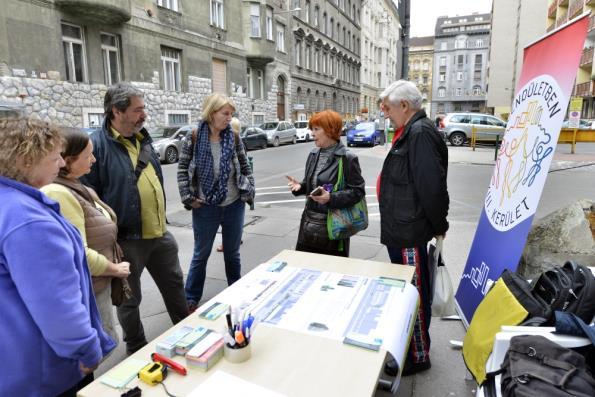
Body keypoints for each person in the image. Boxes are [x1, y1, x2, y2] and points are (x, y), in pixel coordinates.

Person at [0, 117, 115, 396]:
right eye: (54, 159)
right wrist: (87, 349)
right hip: (41, 372)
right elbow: (55, 302)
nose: (62, 164)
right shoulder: (28, 220)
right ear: (26, 161)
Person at [82, 82, 187, 355]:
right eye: (138, 110)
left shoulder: (144, 138)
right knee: (129, 300)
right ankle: (137, 348)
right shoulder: (96, 145)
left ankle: (187, 331)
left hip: (159, 232)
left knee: (175, 285)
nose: (144, 115)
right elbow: (87, 198)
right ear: (117, 111)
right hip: (127, 239)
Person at [378, 80, 449, 376]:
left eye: (389, 108)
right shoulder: (411, 129)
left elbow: (431, 188)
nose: (386, 114)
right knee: (409, 291)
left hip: (410, 231)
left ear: (404, 106)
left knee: (415, 294)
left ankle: (419, 356)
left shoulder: (419, 133)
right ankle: (410, 347)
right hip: (402, 228)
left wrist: (439, 225)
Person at [42, 128, 132, 343]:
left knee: (104, 340)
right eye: (88, 155)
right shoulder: (59, 192)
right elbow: (78, 251)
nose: (93, 159)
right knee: (99, 346)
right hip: (91, 284)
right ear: (68, 160)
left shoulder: (76, 185)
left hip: (97, 282)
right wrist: (114, 269)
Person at [178, 94, 255, 312]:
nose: (229, 118)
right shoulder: (193, 137)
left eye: (231, 114)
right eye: (225, 114)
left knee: (232, 254)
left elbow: (245, 167)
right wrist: (188, 198)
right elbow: (183, 170)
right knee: (201, 254)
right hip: (205, 207)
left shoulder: (235, 137)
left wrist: (249, 189)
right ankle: (191, 298)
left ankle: (236, 290)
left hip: (233, 205)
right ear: (212, 113)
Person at [286, 110, 365, 257]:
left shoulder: (347, 158)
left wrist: (331, 198)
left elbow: (358, 192)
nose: (312, 133)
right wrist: (300, 187)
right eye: (312, 129)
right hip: (308, 225)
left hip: (333, 227)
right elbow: (312, 185)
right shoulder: (313, 154)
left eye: (316, 129)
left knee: (330, 273)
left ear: (330, 130)